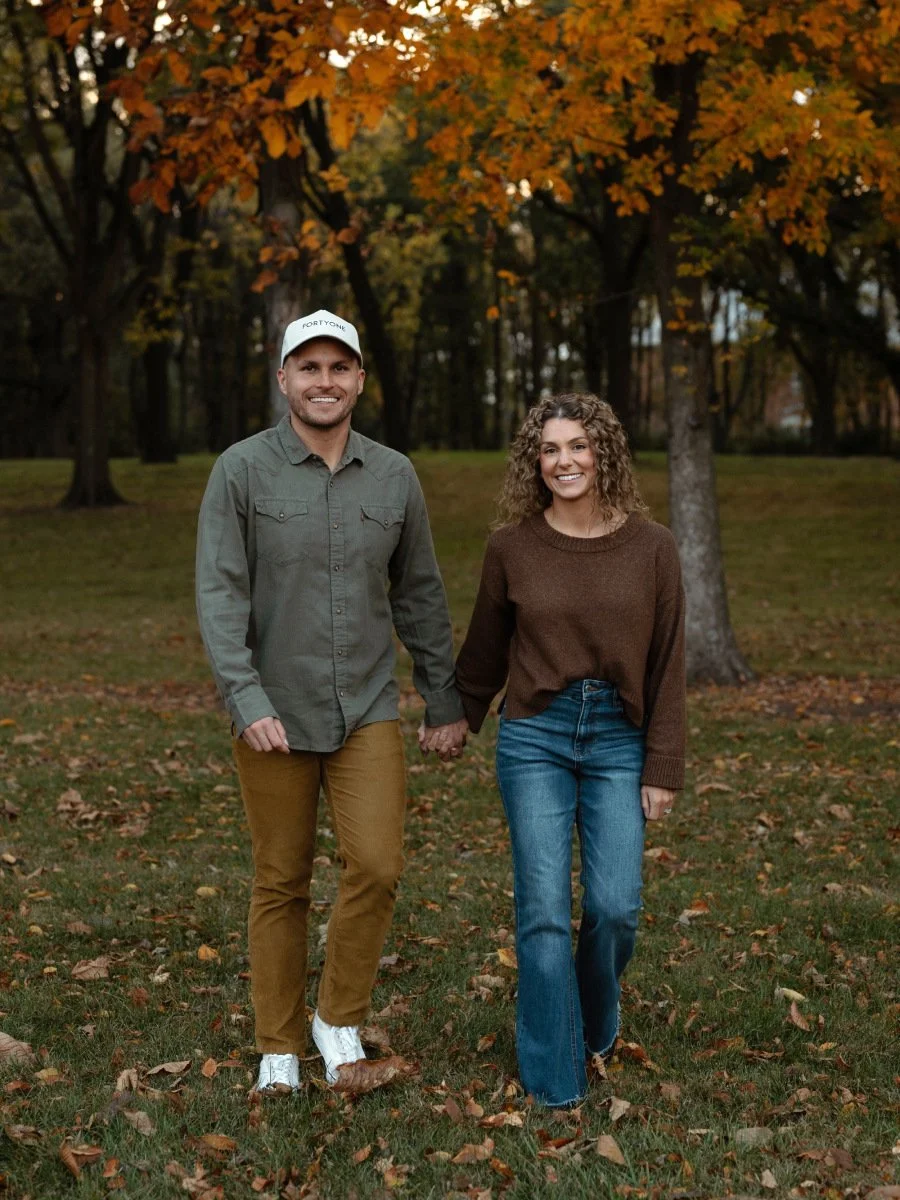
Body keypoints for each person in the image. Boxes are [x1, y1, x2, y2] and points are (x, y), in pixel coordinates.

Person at [195, 309, 468, 1095]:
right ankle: (278, 1042)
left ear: (358, 380)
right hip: (272, 714)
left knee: (377, 865)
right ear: (283, 379)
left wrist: (442, 698)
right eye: (307, 367)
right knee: (281, 878)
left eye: (338, 368)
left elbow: (418, 591)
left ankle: (337, 1017)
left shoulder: (394, 476)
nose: (324, 381)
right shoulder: (240, 471)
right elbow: (219, 595)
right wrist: (244, 699)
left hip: (368, 709)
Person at [453, 392, 685, 1108]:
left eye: (578, 446)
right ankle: (555, 1081)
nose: (564, 461)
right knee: (545, 912)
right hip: (536, 737)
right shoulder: (511, 548)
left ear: (604, 453)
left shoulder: (654, 546)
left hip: (619, 735)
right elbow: (486, 652)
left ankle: (594, 1012)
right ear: (535, 461)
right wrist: (455, 717)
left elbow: (668, 660)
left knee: (615, 907)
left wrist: (662, 764)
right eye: (550, 449)